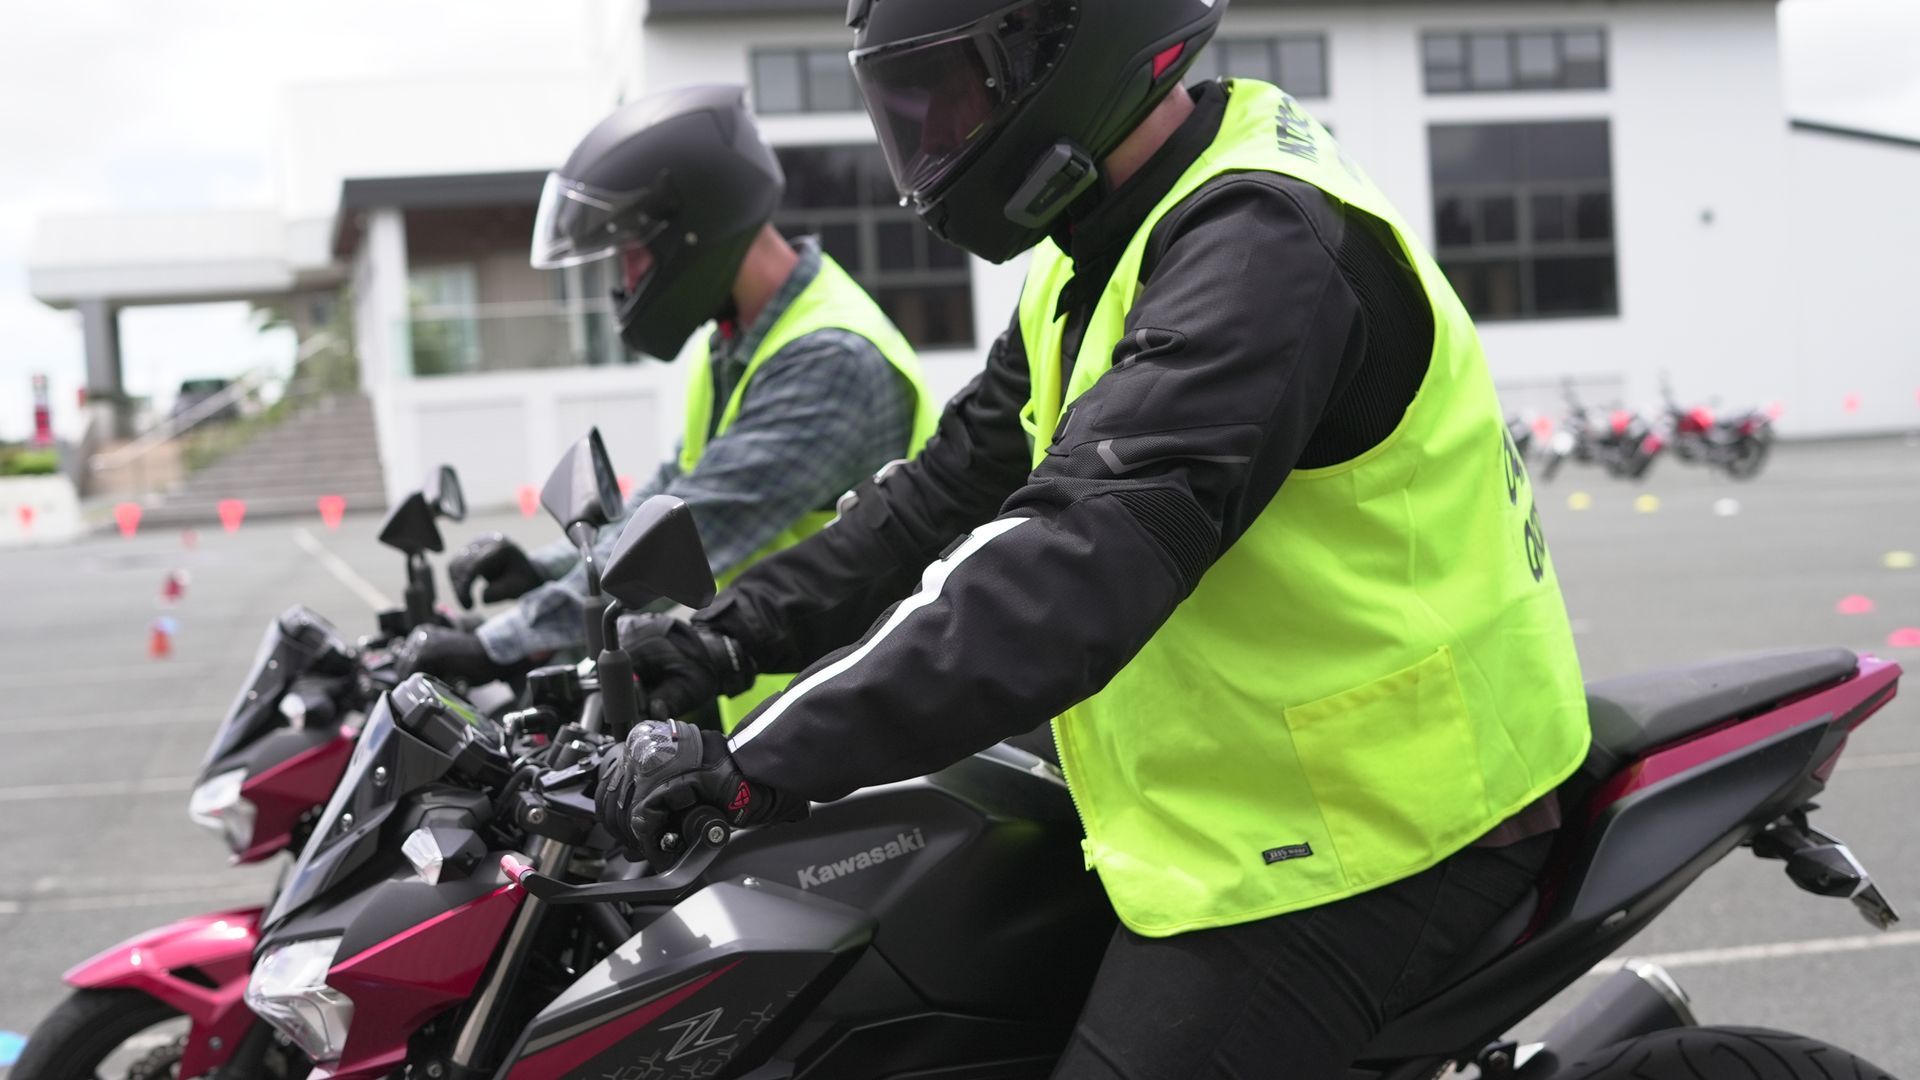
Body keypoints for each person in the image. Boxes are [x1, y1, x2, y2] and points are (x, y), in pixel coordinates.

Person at [595, 1, 1591, 1075]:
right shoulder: (1099, 248)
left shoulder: (1261, 244)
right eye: (910, 106)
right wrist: (720, 640)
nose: (937, 135)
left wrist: (758, 762)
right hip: (1227, 807)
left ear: (1070, 48)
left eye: (957, 90)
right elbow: (937, 496)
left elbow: (1077, 560)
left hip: (1387, 821)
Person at [398, 85, 939, 732]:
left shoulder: (829, 360)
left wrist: (499, 645)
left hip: (865, 727)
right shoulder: (741, 338)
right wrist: (543, 565)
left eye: (632, 250)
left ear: (698, 227)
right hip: (783, 704)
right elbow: (672, 496)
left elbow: (696, 531)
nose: (625, 279)